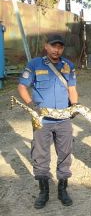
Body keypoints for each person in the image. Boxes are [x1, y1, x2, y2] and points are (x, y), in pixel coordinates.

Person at [17, 34, 79, 209]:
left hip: (63, 118)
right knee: (40, 154)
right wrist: (31, 105)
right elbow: (22, 86)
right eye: (53, 46)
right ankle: (43, 192)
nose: (56, 50)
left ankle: (62, 190)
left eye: (60, 47)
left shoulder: (68, 66)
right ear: (46, 46)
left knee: (65, 153)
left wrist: (74, 106)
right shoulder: (34, 65)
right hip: (41, 118)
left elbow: (72, 89)